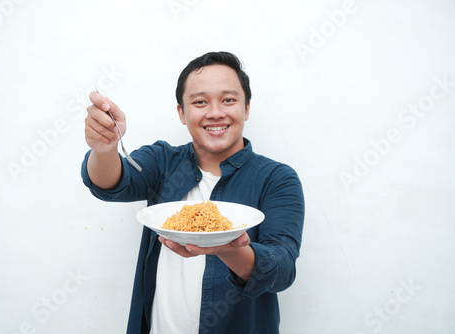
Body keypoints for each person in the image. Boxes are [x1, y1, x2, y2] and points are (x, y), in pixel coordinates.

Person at [81, 51, 304, 334]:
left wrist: (226, 247)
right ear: (181, 113)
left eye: (228, 100)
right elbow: (111, 183)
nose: (215, 112)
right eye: (200, 102)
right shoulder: (163, 161)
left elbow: (282, 269)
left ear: (246, 108)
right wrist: (105, 149)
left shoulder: (277, 179)